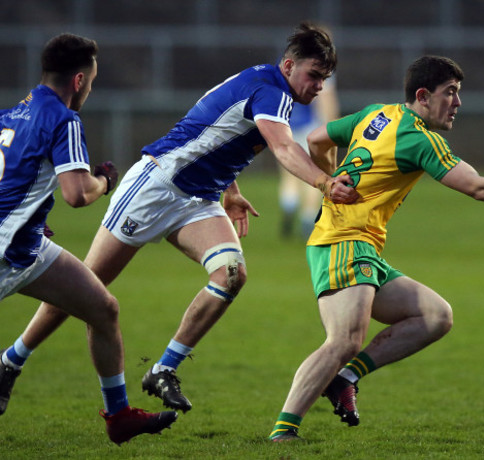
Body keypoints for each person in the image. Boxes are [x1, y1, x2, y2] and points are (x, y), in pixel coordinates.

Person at [0, 22, 359, 417]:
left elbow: (216, 128)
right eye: (314, 75)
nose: (319, 87)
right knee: (86, 285)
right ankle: (12, 361)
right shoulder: (271, 91)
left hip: (197, 198)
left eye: (324, 79)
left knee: (231, 273)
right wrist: (326, 183)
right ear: (289, 65)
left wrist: (231, 189)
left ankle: (163, 368)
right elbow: (284, 148)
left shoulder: (260, 82)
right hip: (155, 188)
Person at [268, 55, 484, 441]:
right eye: (450, 92)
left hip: (357, 244)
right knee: (344, 340)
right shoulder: (420, 139)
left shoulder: (376, 114)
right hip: (344, 243)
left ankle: (344, 380)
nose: (457, 103)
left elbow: (317, 139)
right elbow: (478, 187)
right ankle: (284, 431)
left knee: (435, 316)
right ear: (423, 95)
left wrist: (329, 179)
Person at [0, 33, 177, 445]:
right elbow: (77, 194)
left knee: (102, 308)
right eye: (92, 81)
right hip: (8, 251)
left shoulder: (10, 115)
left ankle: (118, 417)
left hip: (27, 248)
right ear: (79, 80)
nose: (91, 89)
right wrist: (105, 180)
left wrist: (31, 219)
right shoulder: (64, 119)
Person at [278, 77, 340, 240]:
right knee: (314, 174)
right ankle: (307, 219)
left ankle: (289, 205)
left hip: (286, 125)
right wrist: (332, 129)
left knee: (290, 173)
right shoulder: (321, 67)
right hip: (310, 128)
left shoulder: (287, 62)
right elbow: (325, 99)